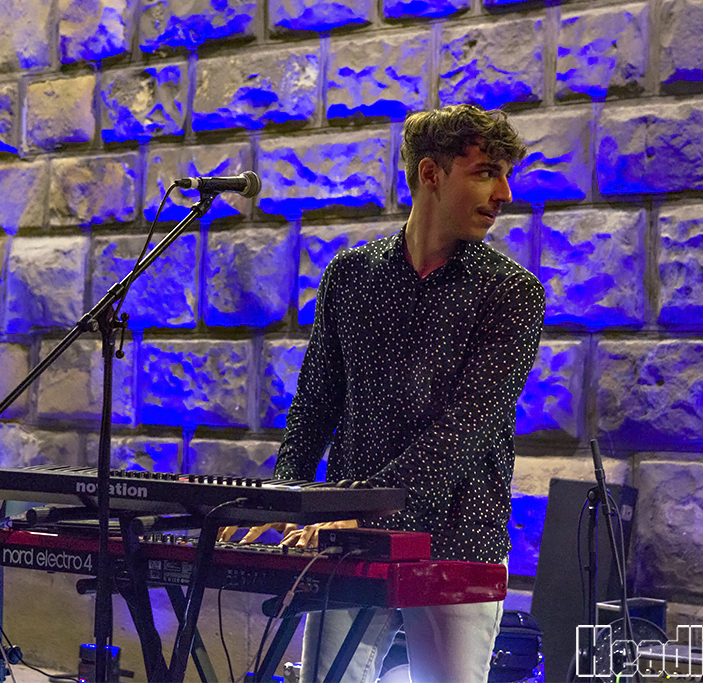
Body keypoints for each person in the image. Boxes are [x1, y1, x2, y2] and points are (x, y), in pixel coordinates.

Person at [223, 104, 546, 683]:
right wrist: (284, 500)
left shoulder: (511, 292)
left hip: (458, 534)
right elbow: (315, 403)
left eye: (504, 175)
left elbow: (465, 428)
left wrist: (369, 510)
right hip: (348, 532)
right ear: (431, 173)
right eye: (486, 172)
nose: (503, 193)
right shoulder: (351, 274)